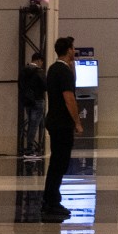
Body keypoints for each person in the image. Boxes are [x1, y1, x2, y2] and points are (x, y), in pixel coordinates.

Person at [43, 37, 82, 219]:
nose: (75, 51)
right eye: (73, 48)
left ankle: (51, 199)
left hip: (54, 121)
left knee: (56, 163)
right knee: (59, 163)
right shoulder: (63, 71)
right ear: (68, 50)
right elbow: (69, 98)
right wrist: (77, 122)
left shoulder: (53, 69)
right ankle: (52, 202)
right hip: (62, 123)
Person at [18, 51, 47, 158]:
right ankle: (30, 149)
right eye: (41, 62)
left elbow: (20, 85)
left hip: (27, 101)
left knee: (30, 123)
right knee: (35, 125)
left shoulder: (23, 70)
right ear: (39, 60)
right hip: (38, 100)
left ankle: (27, 148)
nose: (41, 64)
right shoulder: (39, 71)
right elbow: (45, 86)